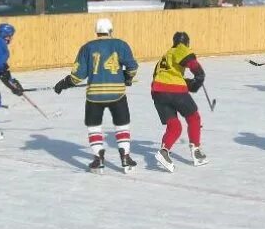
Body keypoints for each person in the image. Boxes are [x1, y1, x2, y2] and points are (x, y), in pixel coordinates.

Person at [53, 18, 139, 174]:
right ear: (110, 30)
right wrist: (128, 77)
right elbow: (132, 66)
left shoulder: (87, 47)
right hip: (117, 94)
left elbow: (78, 76)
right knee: (122, 126)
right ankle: (125, 157)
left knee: (94, 127)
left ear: (97, 31)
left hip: (94, 95)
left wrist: (64, 83)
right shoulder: (121, 44)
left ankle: (98, 160)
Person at [150, 31, 208, 171]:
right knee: (194, 118)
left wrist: (187, 83)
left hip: (157, 92)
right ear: (186, 43)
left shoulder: (166, 55)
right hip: (174, 91)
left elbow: (163, 75)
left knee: (174, 127)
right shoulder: (181, 48)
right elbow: (192, 63)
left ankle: (164, 152)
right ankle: (196, 151)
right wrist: (199, 74)